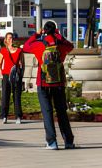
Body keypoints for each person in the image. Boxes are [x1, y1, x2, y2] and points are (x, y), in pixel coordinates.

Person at [23, 21, 75, 150]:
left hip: (43, 81)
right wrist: (57, 35)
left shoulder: (39, 44)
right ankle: (68, 141)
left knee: (47, 112)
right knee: (61, 112)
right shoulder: (61, 45)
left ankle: (52, 142)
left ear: (44, 31)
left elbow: (25, 46)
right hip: (58, 82)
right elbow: (71, 46)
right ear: (56, 30)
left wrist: (36, 34)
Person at [0, 32, 24, 124]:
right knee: (5, 96)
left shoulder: (19, 51)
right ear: (5, 40)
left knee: (17, 96)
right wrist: (2, 74)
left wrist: (21, 75)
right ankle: (4, 116)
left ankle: (18, 116)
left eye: (12, 38)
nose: (11, 39)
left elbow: (22, 64)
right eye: (9, 38)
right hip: (6, 75)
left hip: (16, 76)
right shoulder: (3, 50)